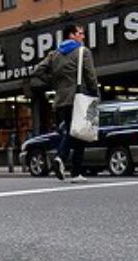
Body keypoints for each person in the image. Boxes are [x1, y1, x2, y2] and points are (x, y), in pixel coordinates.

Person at [33, 24, 100, 183]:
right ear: (71, 35)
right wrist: (95, 94)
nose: (83, 37)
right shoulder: (83, 52)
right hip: (79, 98)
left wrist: (54, 84)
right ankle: (61, 158)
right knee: (75, 131)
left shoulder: (54, 54)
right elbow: (90, 76)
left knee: (78, 134)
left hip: (61, 100)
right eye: (80, 33)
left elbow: (37, 70)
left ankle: (76, 172)